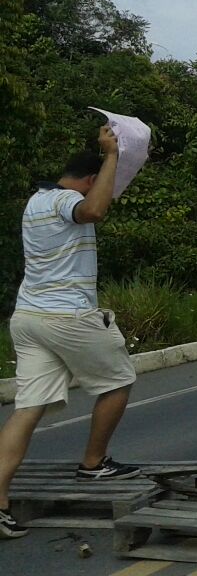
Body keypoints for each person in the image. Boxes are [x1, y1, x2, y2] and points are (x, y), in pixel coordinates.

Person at [1, 128, 140, 540]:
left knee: (28, 408)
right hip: (69, 317)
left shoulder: (36, 200)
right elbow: (94, 212)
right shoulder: (67, 200)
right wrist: (112, 154)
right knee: (118, 381)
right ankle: (94, 464)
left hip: (28, 317)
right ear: (89, 180)